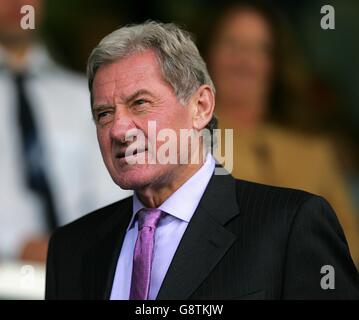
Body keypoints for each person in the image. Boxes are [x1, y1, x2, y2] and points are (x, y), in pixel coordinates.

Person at [45, 21, 359, 300]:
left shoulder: (291, 225)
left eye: (140, 103)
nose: (118, 129)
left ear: (201, 106)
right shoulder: (71, 249)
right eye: (104, 113)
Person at [204, 1, 359, 266]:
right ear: (207, 54)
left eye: (259, 48)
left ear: (274, 64)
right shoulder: (183, 141)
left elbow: (350, 249)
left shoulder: (314, 149)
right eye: (232, 44)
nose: (244, 60)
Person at [0, 0, 131, 262]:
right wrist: (16, 244)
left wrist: (79, 247)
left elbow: (117, 196)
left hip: (83, 274)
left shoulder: (85, 97)